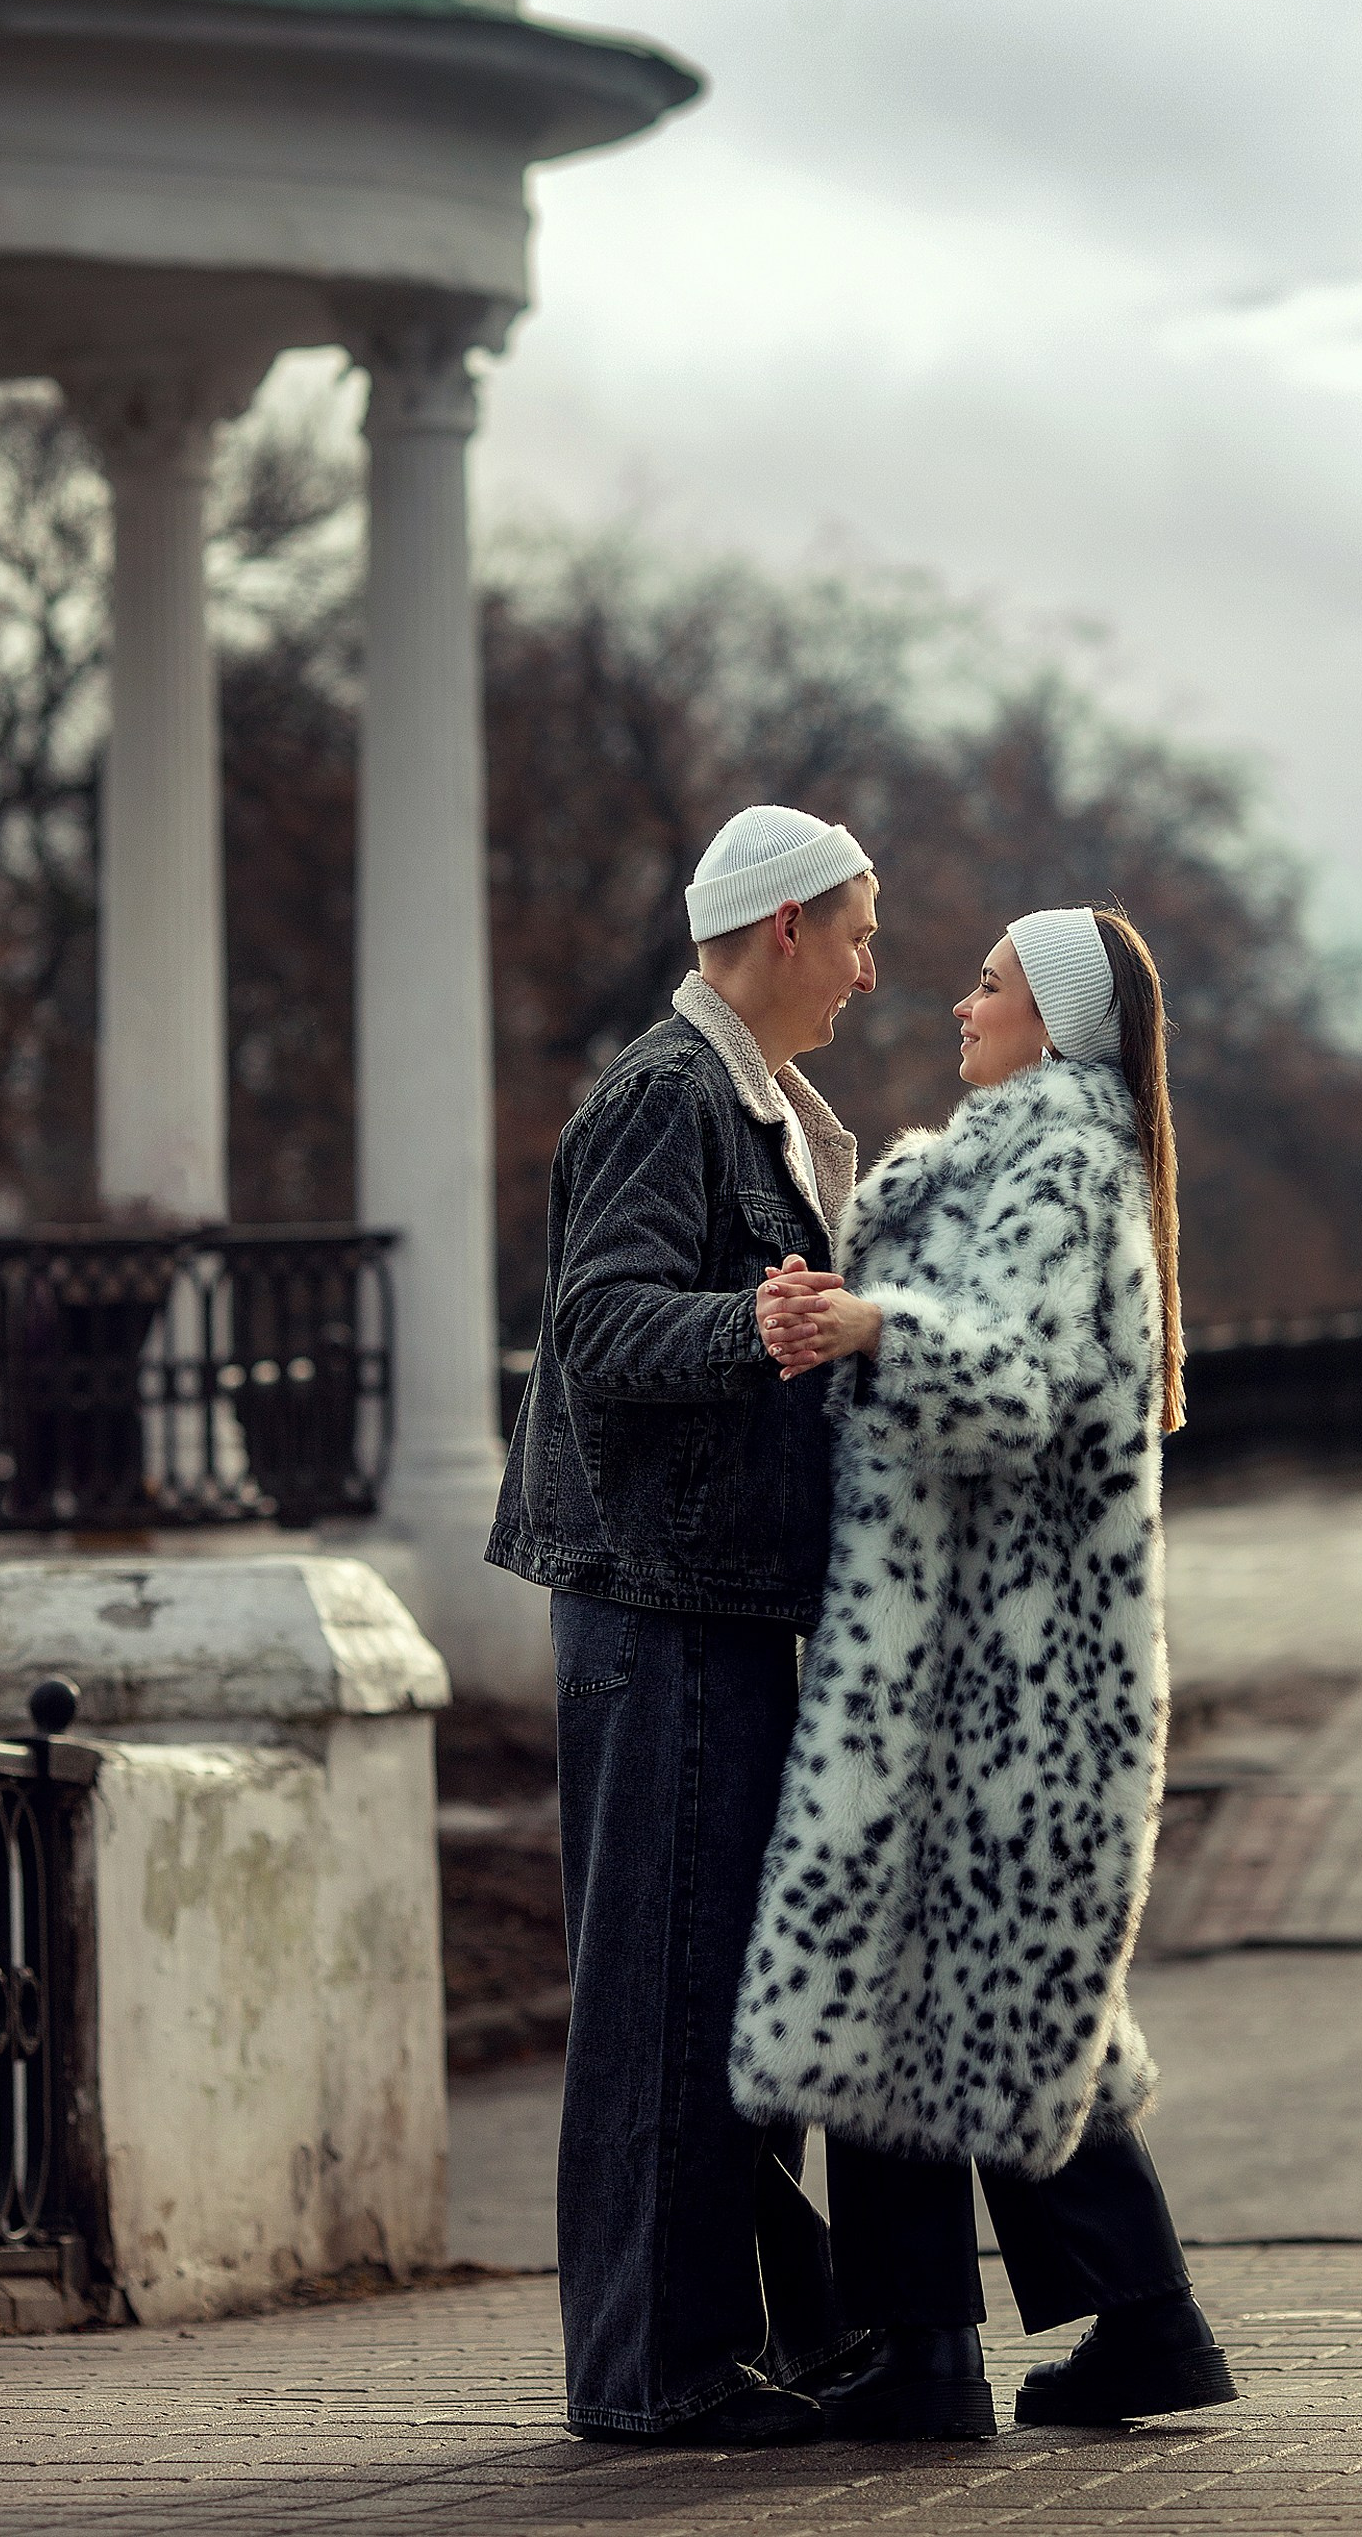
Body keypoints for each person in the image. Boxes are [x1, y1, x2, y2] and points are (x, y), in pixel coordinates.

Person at [737, 904, 1238, 2441]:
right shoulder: (1015, 1160)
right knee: (995, 1990)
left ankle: (933, 2351)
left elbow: (1015, 1385)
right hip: (967, 1657)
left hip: (1011, 1673)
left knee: (964, 1983)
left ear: (1059, 1023)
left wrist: (874, 1319)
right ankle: (1118, 2332)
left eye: (990, 985)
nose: (961, 1004)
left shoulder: (1064, 1165)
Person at [485, 803, 881, 2445]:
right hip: (660, 1606)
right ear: (783, 927)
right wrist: (756, 1323)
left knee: (719, 1995)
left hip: (710, 1599)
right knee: (663, 1998)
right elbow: (599, 1329)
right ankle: (658, 2375)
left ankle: (721, 2346)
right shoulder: (668, 1094)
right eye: (856, 932)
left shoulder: (764, 1103)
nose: (872, 968)